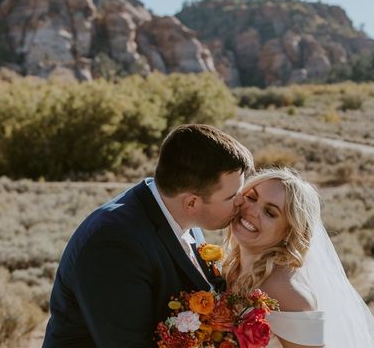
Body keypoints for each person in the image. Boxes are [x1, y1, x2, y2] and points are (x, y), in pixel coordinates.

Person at [43, 124, 254, 347]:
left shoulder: (177, 209)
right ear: (191, 202)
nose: (241, 201)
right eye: (231, 196)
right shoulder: (113, 243)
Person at [223, 168, 374, 348]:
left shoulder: (286, 292)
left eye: (270, 213)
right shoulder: (228, 269)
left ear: (289, 233)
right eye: (251, 197)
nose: (252, 211)